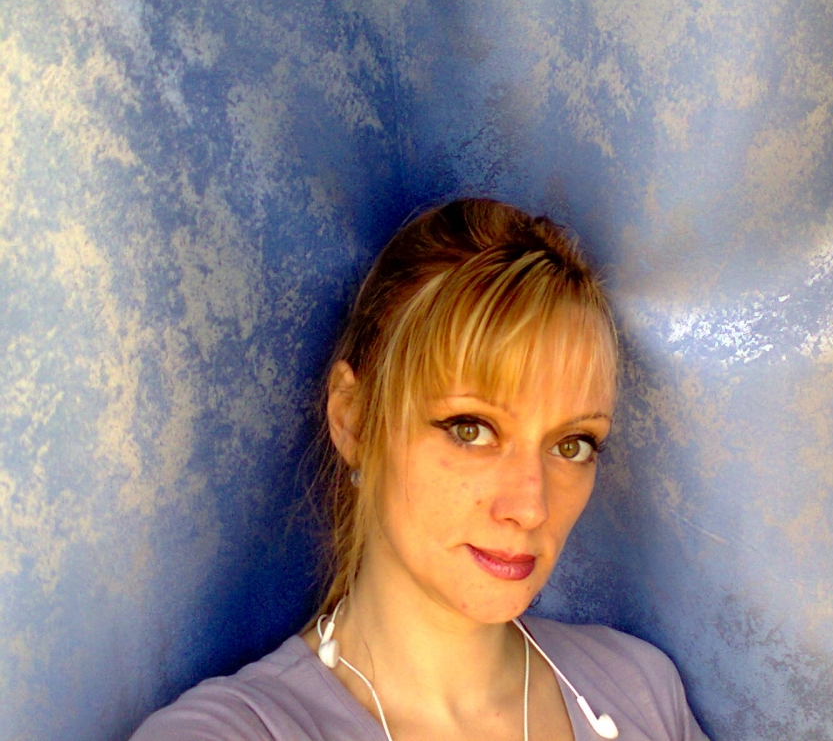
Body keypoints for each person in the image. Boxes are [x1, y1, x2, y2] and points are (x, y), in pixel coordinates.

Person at [131, 198, 708, 741]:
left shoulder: (641, 690)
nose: (531, 507)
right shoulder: (232, 732)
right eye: (471, 430)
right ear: (354, 420)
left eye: (573, 444)